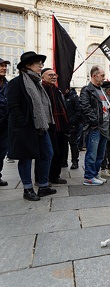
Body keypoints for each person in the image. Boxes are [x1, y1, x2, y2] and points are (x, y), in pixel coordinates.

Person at [7, 51, 57, 200]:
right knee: (26, 158)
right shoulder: (17, 82)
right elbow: (13, 106)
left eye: (41, 63)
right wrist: (22, 123)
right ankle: (27, 189)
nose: (41, 65)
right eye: (38, 63)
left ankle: (43, 185)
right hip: (26, 127)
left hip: (41, 126)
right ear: (27, 65)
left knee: (48, 154)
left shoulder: (37, 83)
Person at [80, 65, 110, 185]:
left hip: (104, 127)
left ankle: (94, 174)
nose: (104, 78)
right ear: (94, 75)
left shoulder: (102, 90)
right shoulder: (87, 90)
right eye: (102, 75)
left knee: (100, 154)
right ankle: (88, 176)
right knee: (92, 154)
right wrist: (94, 121)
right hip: (95, 127)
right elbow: (85, 106)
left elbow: (103, 106)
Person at [40, 68, 69, 184]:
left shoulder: (57, 90)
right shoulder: (41, 89)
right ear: (42, 77)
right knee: (48, 153)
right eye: (50, 75)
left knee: (60, 152)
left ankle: (55, 176)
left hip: (60, 125)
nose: (53, 77)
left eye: (54, 75)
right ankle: (42, 177)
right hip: (48, 125)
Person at [63, 88, 82, 170]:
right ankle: (63, 161)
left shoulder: (74, 97)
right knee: (63, 144)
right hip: (63, 125)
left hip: (72, 125)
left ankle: (75, 162)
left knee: (73, 144)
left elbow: (79, 110)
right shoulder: (61, 96)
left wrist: (73, 121)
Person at [0, 57, 10, 186]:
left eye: (4, 66)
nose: (4, 68)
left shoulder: (8, 84)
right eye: (1, 66)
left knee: (2, 150)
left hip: (4, 124)